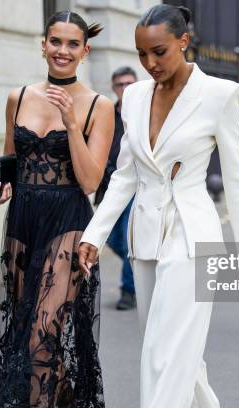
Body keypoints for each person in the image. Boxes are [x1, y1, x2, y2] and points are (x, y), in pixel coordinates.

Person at [79, 5, 239, 407]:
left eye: (159, 51)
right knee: (177, 356)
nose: (150, 63)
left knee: (163, 355)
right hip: (144, 240)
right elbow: (126, 174)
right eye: (142, 54)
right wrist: (95, 234)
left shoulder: (219, 94)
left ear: (183, 41)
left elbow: (235, 179)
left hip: (193, 241)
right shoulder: (136, 97)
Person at [0, 10, 114, 407]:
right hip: (23, 221)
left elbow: (90, 181)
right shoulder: (17, 97)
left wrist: (72, 123)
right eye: (56, 42)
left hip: (67, 224)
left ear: (85, 51)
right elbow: (10, 161)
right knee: (24, 338)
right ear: (43, 45)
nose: (63, 50)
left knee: (43, 338)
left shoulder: (98, 106)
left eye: (73, 44)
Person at [94, 66, 138, 310]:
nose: (125, 89)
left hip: (134, 188)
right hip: (108, 187)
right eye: (120, 85)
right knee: (112, 239)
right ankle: (142, 268)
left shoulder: (146, 112)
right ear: (114, 88)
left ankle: (128, 290)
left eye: (129, 83)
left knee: (130, 240)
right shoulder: (105, 114)